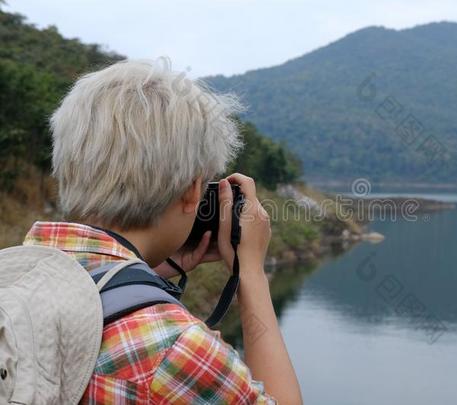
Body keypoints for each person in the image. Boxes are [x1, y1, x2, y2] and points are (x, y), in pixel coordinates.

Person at [22, 58, 302, 404]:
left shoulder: (16, 276)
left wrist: (137, 276)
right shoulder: (173, 352)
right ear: (190, 191)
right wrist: (252, 276)